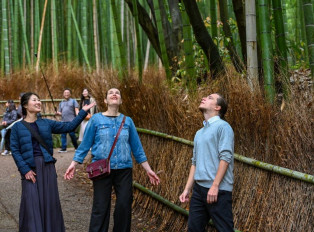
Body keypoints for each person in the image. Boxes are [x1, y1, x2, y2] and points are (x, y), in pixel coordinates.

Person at [64, 88, 160, 232]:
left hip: (124, 169)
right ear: (105, 100)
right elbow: (85, 144)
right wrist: (73, 164)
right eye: (110, 93)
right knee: (100, 207)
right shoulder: (96, 119)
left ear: (120, 100)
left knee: (124, 206)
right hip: (101, 169)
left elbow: (137, 148)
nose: (114, 94)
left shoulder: (127, 121)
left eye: (117, 93)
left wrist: (148, 170)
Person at [10, 92, 95, 232]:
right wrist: (24, 169)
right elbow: (15, 150)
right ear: (25, 105)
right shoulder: (17, 127)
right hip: (30, 169)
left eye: (39, 99)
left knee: (49, 203)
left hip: (47, 167)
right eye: (34, 100)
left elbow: (69, 127)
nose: (38, 102)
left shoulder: (46, 123)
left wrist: (82, 113)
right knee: (31, 204)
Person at [179, 93, 235, 232]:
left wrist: (215, 186)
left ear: (217, 107)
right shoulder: (199, 132)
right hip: (199, 190)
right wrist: (187, 189)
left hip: (218, 190)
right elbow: (195, 163)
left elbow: (225, 158)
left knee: (225, 229)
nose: (203, 98)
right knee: (194, 229)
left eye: (210, 98)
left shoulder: (224, 127)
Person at [56, 88, 79, 152]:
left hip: (71, 121)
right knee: (63, 135)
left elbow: (76, 110)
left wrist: (78, 115)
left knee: (72, 135)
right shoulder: (61, 103)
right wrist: (58, 113)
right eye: (65, 93)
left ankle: (76, 147)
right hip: (63, 121)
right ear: (63, 94)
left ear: (70, 94)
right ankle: (63, 148)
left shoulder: (73, 101)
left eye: (68, 93)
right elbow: (60, 112)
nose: (66, 94)